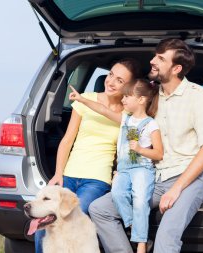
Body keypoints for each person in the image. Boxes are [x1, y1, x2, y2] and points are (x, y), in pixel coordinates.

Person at [89, 38, 203, 253]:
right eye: (155, 56)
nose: (152, 61)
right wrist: (123, 172)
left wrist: (176, 190)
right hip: (153, 176)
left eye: (160, 58)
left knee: (165, 239)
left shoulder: (198, 95)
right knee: (99, 209)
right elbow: (131, 131)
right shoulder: (148, 97)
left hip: (191, 177)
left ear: (176, 68)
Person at [34, 58, 143, 253]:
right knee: (44, 223)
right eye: (110, 74)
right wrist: (58, 173)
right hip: (69, 174)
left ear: (129, 87)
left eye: (119, 80)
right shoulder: (85, 98)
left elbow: (133, 148)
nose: (110, 82)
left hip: (97, 180)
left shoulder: (130, 113)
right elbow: (67, 140)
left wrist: (123, 173)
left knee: (72, 218)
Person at [69, 78, 163, 253]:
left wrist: (141, 149)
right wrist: (82, 99)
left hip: (142, 167)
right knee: (118, 195)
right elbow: (102, 110)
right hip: (124, 169)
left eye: (127, 96)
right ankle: (135, 226)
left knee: (140, 200)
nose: (123, 100)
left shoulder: (151, 124)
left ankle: (141, 244)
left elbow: (158, 153)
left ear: (141, 100)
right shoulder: (125, 119)